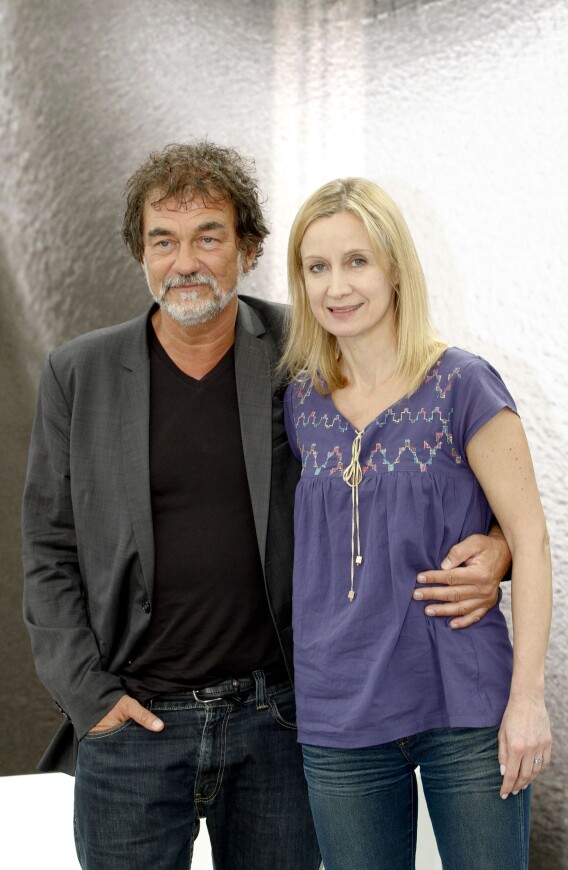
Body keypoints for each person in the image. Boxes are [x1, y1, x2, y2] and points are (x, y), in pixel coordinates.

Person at [22, 142, 508, 870]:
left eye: (208, 236)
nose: (186, 261)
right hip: (132, 727)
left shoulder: (306, 350)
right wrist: (90, 699)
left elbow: (430, 420)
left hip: (277, 722)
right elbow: (48, 551)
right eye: (164, 240)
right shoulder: (78, 374)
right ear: (141, 254)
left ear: (246, 249)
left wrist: (499, 543)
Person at [281, 178, 552, 870]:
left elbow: (530, 541)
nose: (337, 285)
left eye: (357, 261)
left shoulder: (464, 384)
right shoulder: (301, 403)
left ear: (396, 268)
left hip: (461, 702)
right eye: (317, 267)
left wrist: (527, 702)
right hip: (337, 713)